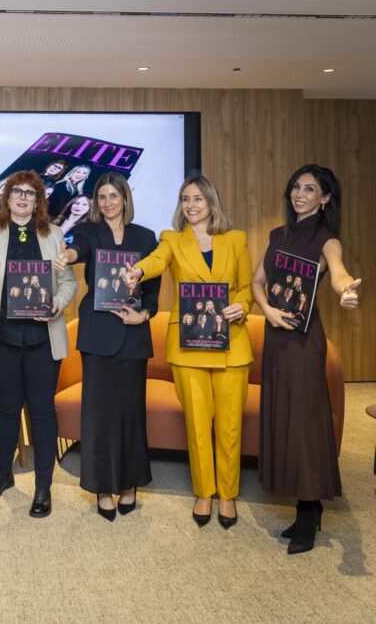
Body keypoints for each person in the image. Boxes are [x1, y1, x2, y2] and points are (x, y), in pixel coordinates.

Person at [123, 175, 253, 529]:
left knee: (228, 426)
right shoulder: (172, 240)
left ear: (211, 202)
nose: (191, 205)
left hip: (232, 344)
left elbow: (246, 287)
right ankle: (204, 491)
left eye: (197, 198)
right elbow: (155, 261)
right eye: (184, 199)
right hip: (189, 345)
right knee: (197, 424)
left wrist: (241, 305)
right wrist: (137, 270)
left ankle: (227, 494)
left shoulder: (236, 240)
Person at [252, 165, 361, 554]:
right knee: (284, 417)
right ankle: (304, 507)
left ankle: (310, 510)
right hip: (276, 337)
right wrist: (265, 309)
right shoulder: (278, 235)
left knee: (305, 422)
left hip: (303, 343)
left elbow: (338, 274)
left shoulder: (326, 239)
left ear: (325, 198)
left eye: (310, 189)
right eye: (296, 186)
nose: (300, 193)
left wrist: (346, 289)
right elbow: (257, 282)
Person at [0, 171, 77, 518]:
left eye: (31, 193)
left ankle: (43, 485)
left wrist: (59, 303)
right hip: (3, 336)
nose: (23, 197)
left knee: (42, 411)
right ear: (7, 196)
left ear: (38, 200)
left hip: (44, 337)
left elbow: (68, 282)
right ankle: (3, 474)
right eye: (17, 192)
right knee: (7, 409)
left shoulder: (55, 233)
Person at [54, 173, 160, 520]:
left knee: (130, 413)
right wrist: (67, 256)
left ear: (125, 199)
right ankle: (102, 487)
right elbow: (77, 250)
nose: (108, 202)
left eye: (114, 196)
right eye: (102, 197)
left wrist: (143, 316)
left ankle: (129, 483)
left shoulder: (146, 237)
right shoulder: (89, 232)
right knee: (98, 414)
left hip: (132, 332)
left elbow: (154, 289)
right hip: (98, 333)